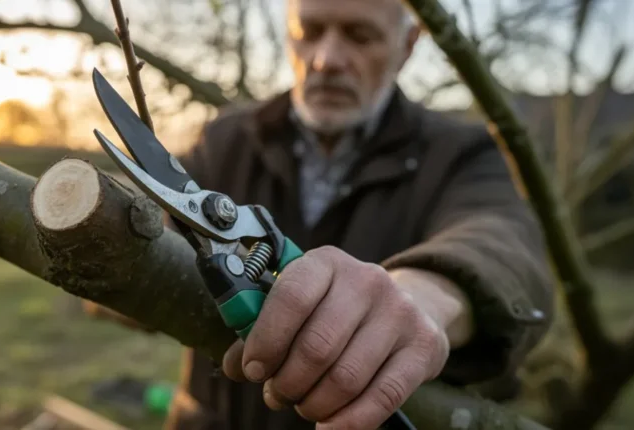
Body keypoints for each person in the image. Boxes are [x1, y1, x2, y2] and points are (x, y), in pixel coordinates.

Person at [164, 0, 555, 428]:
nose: (327, 60)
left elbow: (502, 237)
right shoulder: (224, 140)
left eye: (360, 36)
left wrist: (424, 296)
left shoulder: (461, 154)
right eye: (309, 32)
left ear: (407, 46)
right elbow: (151, 237)